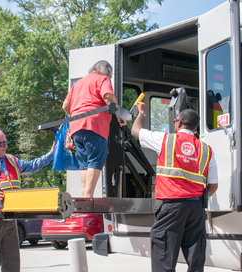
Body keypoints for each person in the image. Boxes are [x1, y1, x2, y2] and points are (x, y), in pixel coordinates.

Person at [131, 103, 218, 272]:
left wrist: (141, 112)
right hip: (196, 208)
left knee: (164, 257)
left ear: (178, 123)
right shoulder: (207, 150)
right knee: (196, 260)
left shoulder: (166, 140)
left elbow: (135, 130)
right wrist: (200, 198)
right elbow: (213, 185)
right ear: (196, 127)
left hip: (171, 207)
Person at [0, 126, 55, 272]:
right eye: (1, 143)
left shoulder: (11, 160)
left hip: (10, 221)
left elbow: (32, 166)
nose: (6, 146)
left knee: (12, 265)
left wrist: (52, 154)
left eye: (6, 142)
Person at [62, 60, 126, 198]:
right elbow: (108, 96)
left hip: (76, 128)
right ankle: (88, 197)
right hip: (95, 125)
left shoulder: (78, 83)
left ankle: (84, 196)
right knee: (95, 161)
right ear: (107, 71)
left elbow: (65, 106)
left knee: (84, 164)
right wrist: (119, 113)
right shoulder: (103, 79)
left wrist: (77, 114)